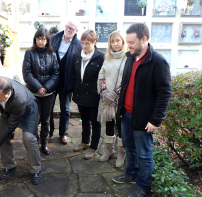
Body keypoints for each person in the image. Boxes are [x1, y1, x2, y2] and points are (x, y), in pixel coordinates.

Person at [112, 23, 172, 197]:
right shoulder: (130, 57)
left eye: (131, 42)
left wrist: (156, 120)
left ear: (144, 39)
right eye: (127, 41)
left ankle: (144, 186)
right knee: (129, 148)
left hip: (144, 118)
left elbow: (165, 93)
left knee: (144, 154)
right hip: (126, 113)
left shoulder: (158, 62)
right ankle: (131, 174)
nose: (128, 45)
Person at [0, 76, 42, 185]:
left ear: (8, 94)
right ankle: (9, 165)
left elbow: (10, 127)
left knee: (29, 138)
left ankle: (35, 169)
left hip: (28, 109)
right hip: (8, 108)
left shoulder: (20, 98)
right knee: (1, 135)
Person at [22, 28, 59, 155]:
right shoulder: (29, 53)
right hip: (33, 93)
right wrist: (38, 87)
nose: (41, 41)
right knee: (33, 119)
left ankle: (44, 144)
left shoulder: (52, 54)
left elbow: (56, 73)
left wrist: (46, 87)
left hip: (48, 94)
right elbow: (27, 73)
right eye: (39, 39)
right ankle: (35, 143)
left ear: (47, 40)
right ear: (35, 40)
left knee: (45, 119)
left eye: (43, 39)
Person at [72, 30, 104, 160]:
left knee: (95, 122)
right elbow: (76, 75)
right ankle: (85, 141)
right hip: (81, 95)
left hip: (94, 96)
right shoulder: (78, 56)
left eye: (88, 43)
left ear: (94, 42)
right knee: (84, 120)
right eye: (83, 43)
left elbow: (103, 77)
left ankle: (94, 147)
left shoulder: (100, 57)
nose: (84, 46)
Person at [97, 30, 127, 167]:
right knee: (108, 124)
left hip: (121, 100)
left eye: (118, 40)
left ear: (123, 41)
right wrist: (104, 92)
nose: (115, 44)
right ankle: (108, 151)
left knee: (121, 126)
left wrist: (115, 93)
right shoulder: (107, 57)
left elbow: (126, 79)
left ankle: (121, 153)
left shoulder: (128, 58)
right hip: (107, 99)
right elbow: (101, 75)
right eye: (112, 41)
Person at [51, 20, 82, 144]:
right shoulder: (53, 38)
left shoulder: (78, 44)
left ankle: (63, 133)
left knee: (65, 109)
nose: (69, 30)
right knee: (49, 108)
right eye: (67, 27)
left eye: (72, 29)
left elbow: (78, 64)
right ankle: (50, 131)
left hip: (67, 81)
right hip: (52, 79)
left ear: (76, 31)